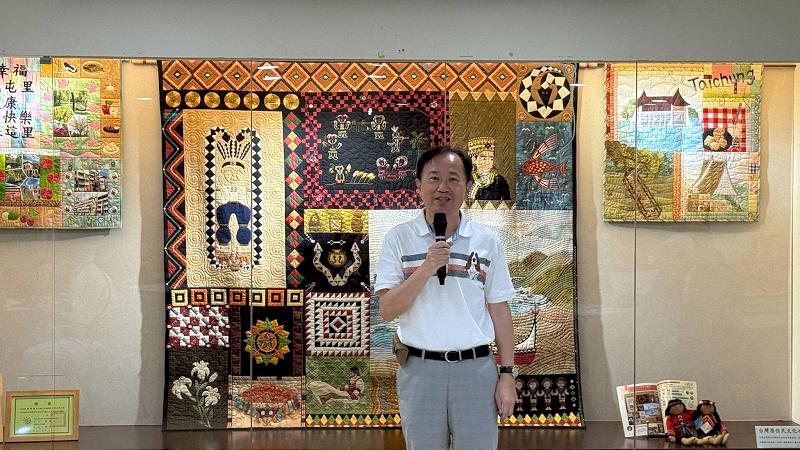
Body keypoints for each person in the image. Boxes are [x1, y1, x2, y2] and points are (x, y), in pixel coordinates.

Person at [375, 146, 517, 449]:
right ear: (418, 185)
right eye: (434, 178)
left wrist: (507, 374)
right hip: (419, 370)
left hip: (475, 370)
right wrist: (427, 267)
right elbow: (387, 309)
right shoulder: (398, 238)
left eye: (453, 179)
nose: (443, 187)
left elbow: (499, 310)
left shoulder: (487, 241)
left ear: (467, 186)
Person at [466, 137, 511, 201]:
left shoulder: (499, 181)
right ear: (474, 160)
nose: (488, 162)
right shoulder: (468, 179)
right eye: (484, 159)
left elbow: (506, 204)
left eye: (491, 159)